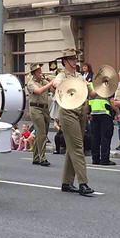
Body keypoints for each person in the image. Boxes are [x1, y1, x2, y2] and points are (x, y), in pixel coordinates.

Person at [52, 48, 94, 196]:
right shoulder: (62, 75)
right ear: (65, 61)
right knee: (77, 147)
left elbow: (90, 92)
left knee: (72, 147)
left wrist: (104, 87)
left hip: (81, 111)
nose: (75, 61)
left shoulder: (80, 76)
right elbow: (55, 84)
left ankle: (67, 182)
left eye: (75, 58)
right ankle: (83, 183)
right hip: (68, 112)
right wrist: (64, 84)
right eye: (71, 59)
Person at [26, 63, 54, 166]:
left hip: (45, 108)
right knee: (41, 133)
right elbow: (38, 91)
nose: (40, 72)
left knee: (41, 133)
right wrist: (49, 84)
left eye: (40, 70)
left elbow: (54, 89)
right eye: (38, 71)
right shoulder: (31, 83)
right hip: (35, 108)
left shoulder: (44, 81)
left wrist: (50, 80)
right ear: (33, 73)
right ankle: (43, 158)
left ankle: (36, 157)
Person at [89, 70, 116, 166]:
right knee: (105, 137)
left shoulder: (90, 86)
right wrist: (118, 113)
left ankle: (95, 158)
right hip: (105, 114)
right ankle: (105, 159)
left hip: (93, 114)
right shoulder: (106, 86)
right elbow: (112, 101)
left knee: (95, 137)